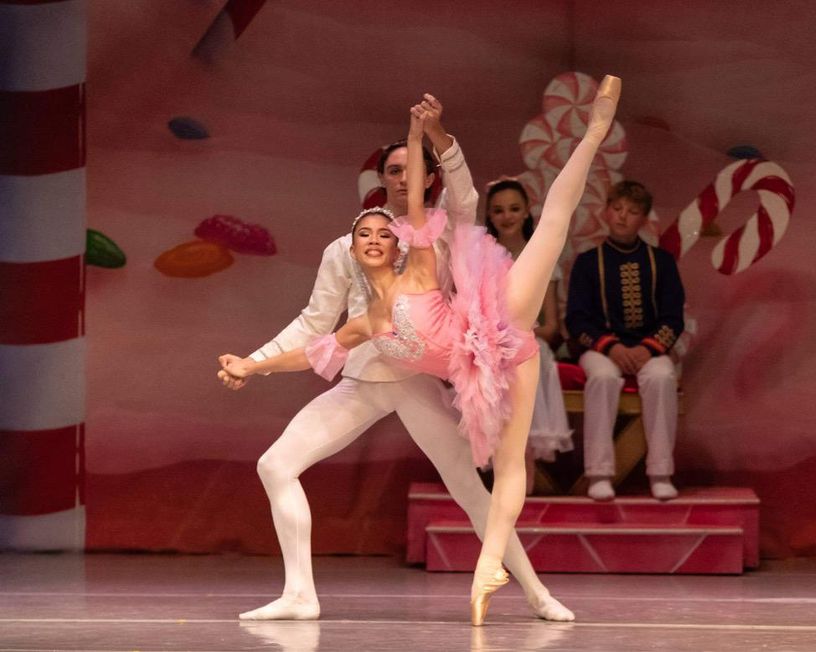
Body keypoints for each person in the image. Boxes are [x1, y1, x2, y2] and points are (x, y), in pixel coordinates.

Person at [222, 77, 621, 625]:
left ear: (424, 179)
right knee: (275, 465)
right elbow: (314, 329)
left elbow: (467, 199)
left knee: (471, 488)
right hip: (369, 375)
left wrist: (433, 136)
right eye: (391, 174)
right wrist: (253, 363)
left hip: (427, 371)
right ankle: (299, 594)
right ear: (380, 182)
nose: (400, 183)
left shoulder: (429, 239)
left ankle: (533, 590)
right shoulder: (345, 250)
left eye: (409, 174)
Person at [565, 180, 685, 502]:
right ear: (606, 211)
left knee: (662, 377)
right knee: (602, 377)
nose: (622, 217)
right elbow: (576, 319)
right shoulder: (588, 263)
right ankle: (599, 473)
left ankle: (661, 472)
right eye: (617, 209)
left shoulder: (662, 262)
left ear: (644, 219)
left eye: (632, 212)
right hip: (601, 349)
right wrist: (611, 347)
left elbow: (674, 318)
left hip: (649, 349)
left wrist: (647, 349)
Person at [484, 178, 574, 492]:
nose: (506, 216)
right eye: (498, 210)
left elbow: (550, 325)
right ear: (490, 216)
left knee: (528, 362)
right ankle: (499, 478)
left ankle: (524, 475)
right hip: (489, 345)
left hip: (529, 344)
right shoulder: (482, 257)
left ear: (526, 212)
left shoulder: (541, 255)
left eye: (514, 208)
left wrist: (518, 338)